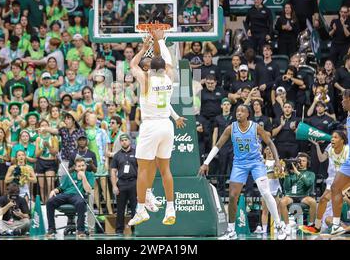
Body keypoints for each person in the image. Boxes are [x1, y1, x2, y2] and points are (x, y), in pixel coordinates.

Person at [198, 104, 287, 240]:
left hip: (256, 162)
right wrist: (206, 163)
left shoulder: (256, 127)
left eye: (242, 111)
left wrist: (277, 161)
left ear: (248, 115)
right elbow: (218, 145)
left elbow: (270, 143)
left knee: (266, 193)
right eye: (237, 111)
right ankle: (231, 230)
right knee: (233, 196)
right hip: (239, 164)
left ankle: (280, 227)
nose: (239, 113)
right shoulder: (230, 128)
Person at [128, 30, 186, 227]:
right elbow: (165, 59)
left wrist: (145, 47)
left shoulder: (146, 80)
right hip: (166, 126)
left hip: (151, 125)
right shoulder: (169, 77)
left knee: (143, 169)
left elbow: (133, 64)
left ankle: (141, 209)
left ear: (150, 69)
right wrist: (159, 40)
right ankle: (171, 208)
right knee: (165, 169)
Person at [300, 130, 349, 234]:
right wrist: (317, 146)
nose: (332, 139)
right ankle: (317, 227)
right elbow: (322, 159)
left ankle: (336, 225)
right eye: (332, 137)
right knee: (322, 200)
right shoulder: (330, 149)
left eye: (335, 137)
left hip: (345, 179)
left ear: (342, 140)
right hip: (333, 180)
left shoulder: (347, 150)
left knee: (328, 198)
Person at [46, 157, 95, 238]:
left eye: (83, 165)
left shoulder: (89, 175)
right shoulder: (70, 175)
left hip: (78, 195)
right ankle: (51, 229)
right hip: (66, 195)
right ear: (75, 167)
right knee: (50, 202)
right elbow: (61, 188)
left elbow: (88, 190)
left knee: (80, 203)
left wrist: (83, 177)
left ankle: (80, 230)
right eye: (79, 166)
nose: (81, 168)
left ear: (86, 166)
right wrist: (54, 191)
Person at [327, 89, 350, 236]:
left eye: (344, 99)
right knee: (335, 188)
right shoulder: (348, 117)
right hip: (349, 161)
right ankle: (336, 225)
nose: (341, 102)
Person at [279, 153, 316, 232]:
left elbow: (308, 184)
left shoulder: (310, 173)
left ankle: (311, 225)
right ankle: (287, 225)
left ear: (307, 163)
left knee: (313, 202)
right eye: (299, 161)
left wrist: (298, 173)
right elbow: (286, 187)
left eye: (304, 161)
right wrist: (288, 174)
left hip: (303, 196)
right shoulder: (291, 172)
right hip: (290, 196)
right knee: (282, 202)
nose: (301, 162)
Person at [110, 133, 137, 235]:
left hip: (134, 183)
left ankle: (135, 229)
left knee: (135, 208)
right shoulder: (117, 155)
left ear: (129, 141)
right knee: (120, 209)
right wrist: (114, 186)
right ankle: (119, 230)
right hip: (121, 183)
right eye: (122, 140)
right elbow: (113, 171)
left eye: (126, 140)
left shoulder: (136, 153)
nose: (124, 142)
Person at [254, 146, 282, 235]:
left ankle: (278, 227)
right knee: (265, 210)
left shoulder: (278, 162)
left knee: (277, 209)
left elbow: (281, 175)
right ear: (264, 151)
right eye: (267, 149)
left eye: (271, 149)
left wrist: (278, 170)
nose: (269, 151)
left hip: (275, 187)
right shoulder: (262, 162)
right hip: (265, 188)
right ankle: (264, 230)